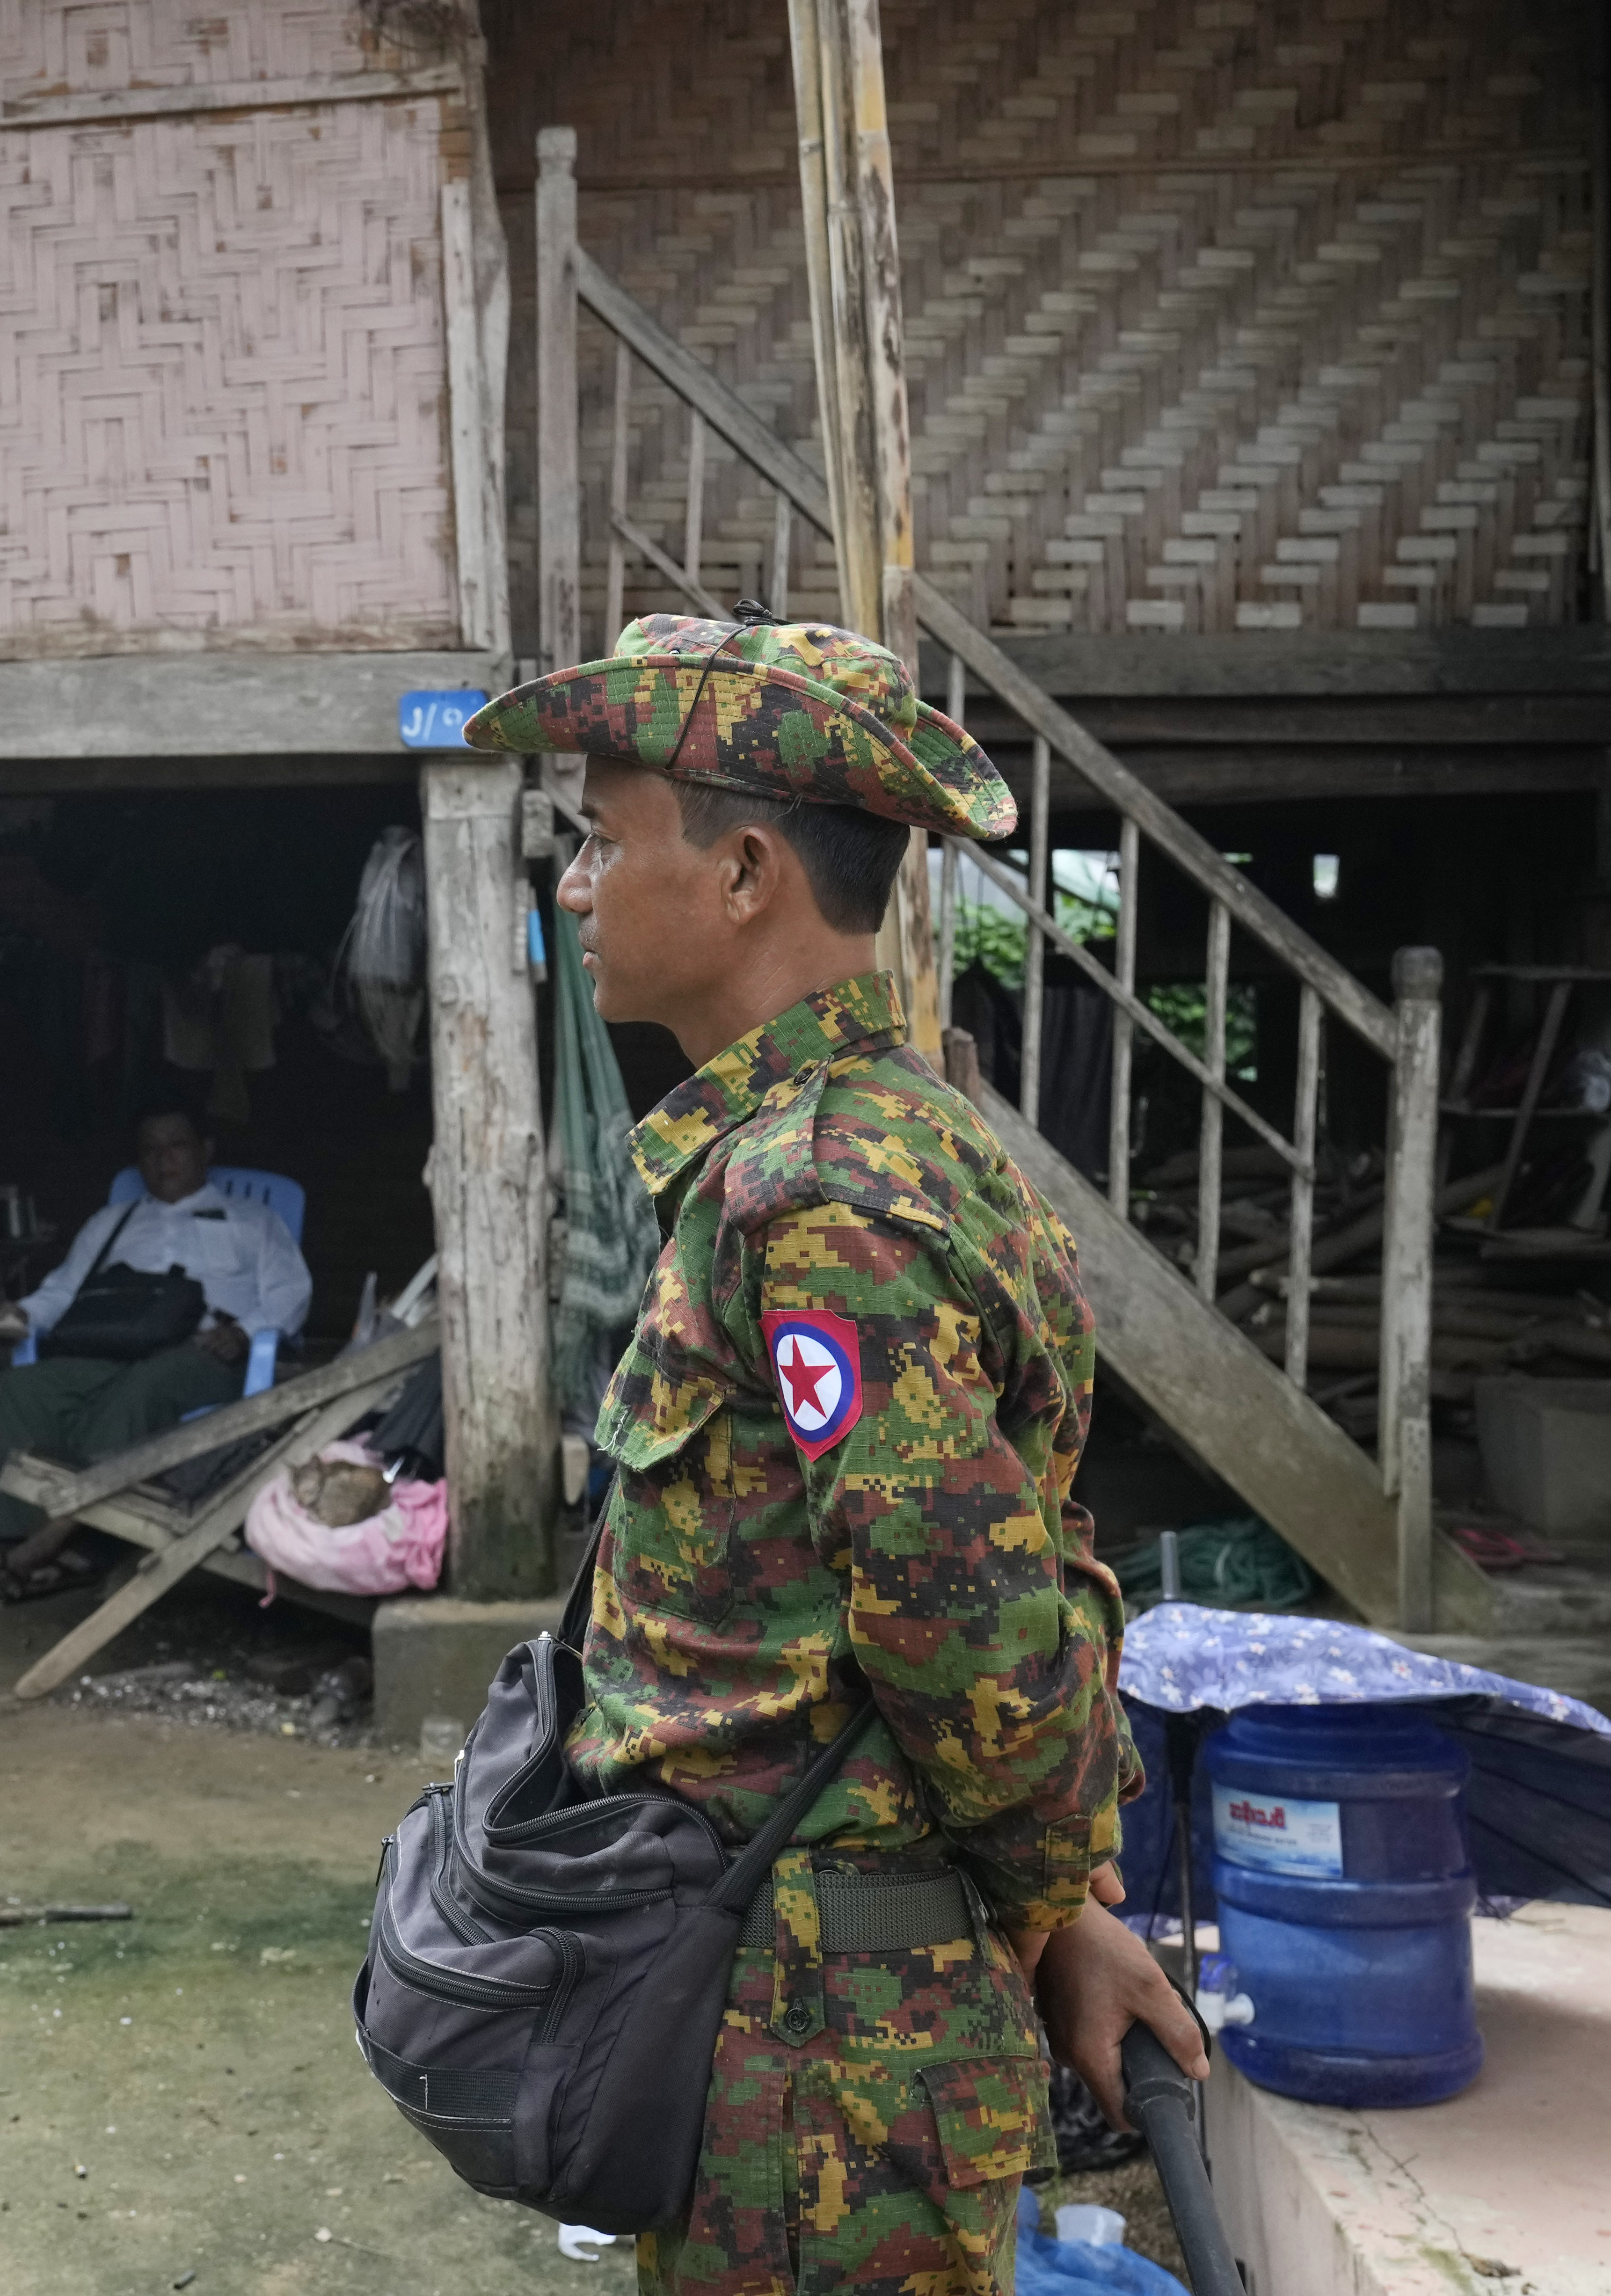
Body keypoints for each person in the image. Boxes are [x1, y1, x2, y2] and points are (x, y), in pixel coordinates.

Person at [461, 606, 1204, 2296]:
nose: (573, 886)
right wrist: (1063, 1900)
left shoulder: (815, 1202)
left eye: (600, 841)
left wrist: (1045, 1902)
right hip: (794, 2008)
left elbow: (967, 1632)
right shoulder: (846, 1147)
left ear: (739, 878)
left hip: (813, 2062)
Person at [0, 1107, 311, 1598]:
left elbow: (291, 1292)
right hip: (112, 1350)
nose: (163, 1160)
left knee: (144, 1388)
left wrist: (246, 1330)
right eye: (150, 1151)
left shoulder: (251, 1220)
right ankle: (37, 1533)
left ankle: (72, 1542)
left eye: (176, 1145)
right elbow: (61, 1291)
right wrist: (21, 1313)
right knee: (17, 1387)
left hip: (203, 1354)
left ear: (206, 1151)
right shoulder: (112, 1222)